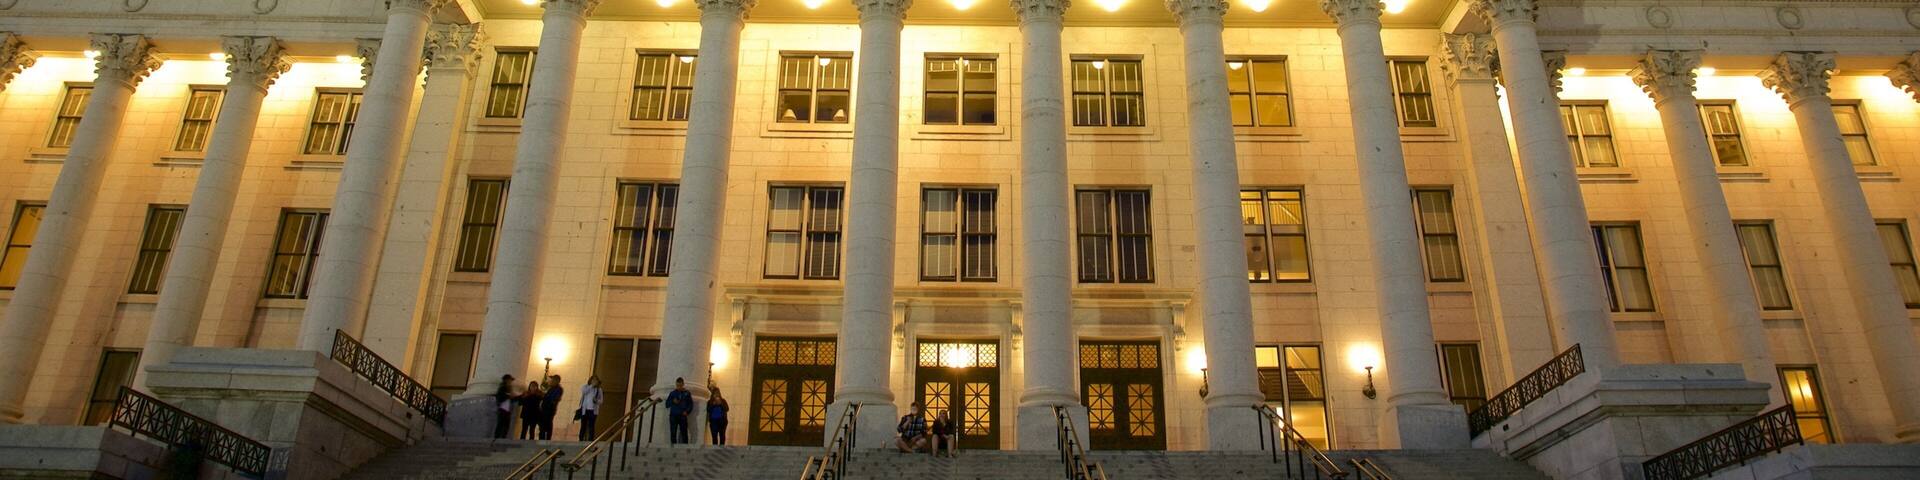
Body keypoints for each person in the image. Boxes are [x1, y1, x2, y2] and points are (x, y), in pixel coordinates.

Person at [666, 377, 694, 444]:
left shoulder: (687, 393)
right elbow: (667, 404)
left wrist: (687, 411)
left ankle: (685, 448)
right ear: (676, 384)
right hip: (673, 415)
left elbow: (690, 404)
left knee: (684, 433)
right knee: (673, 432)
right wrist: (673, 401)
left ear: (683, 384)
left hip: (682, 415)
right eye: (677, 385)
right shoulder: (672, 393)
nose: (679, 387)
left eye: (680, 385)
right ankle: (673, 448)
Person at [577, 376, 604, 441]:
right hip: (585, 410)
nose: (594, 381)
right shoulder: (585, 387)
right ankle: (581, 439)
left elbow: (601, 401)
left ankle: (590, 440)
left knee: (591, 426)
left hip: (593, 411)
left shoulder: (599, 389)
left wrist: (596, 401)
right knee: (583, 425)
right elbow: (584, 392)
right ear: (590, 380)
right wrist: (591, 386)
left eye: (596, 380)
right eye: (593, 380)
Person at [539, 375, 564, 440]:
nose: (551, 381)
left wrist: (547, 397)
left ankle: (547, 438)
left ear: (557, 381)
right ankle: (542, 437)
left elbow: (555, 398)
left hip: (550, 408)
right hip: (544, 407)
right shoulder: (549, 388)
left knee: (548, 422)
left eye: (553, 380)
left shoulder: (558, 389)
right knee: (542, 423)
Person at [493, 374, 516, 439]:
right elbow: (500, 397)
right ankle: (496, 438)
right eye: (509, 380)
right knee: (500, 425)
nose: (511, 382)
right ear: (506, 380)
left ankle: (503, 438)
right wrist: (508, 396)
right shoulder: (502, 388)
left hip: (507, 410)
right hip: (502, 409)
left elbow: (512, 398)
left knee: (506, 426)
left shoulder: (509, 389)